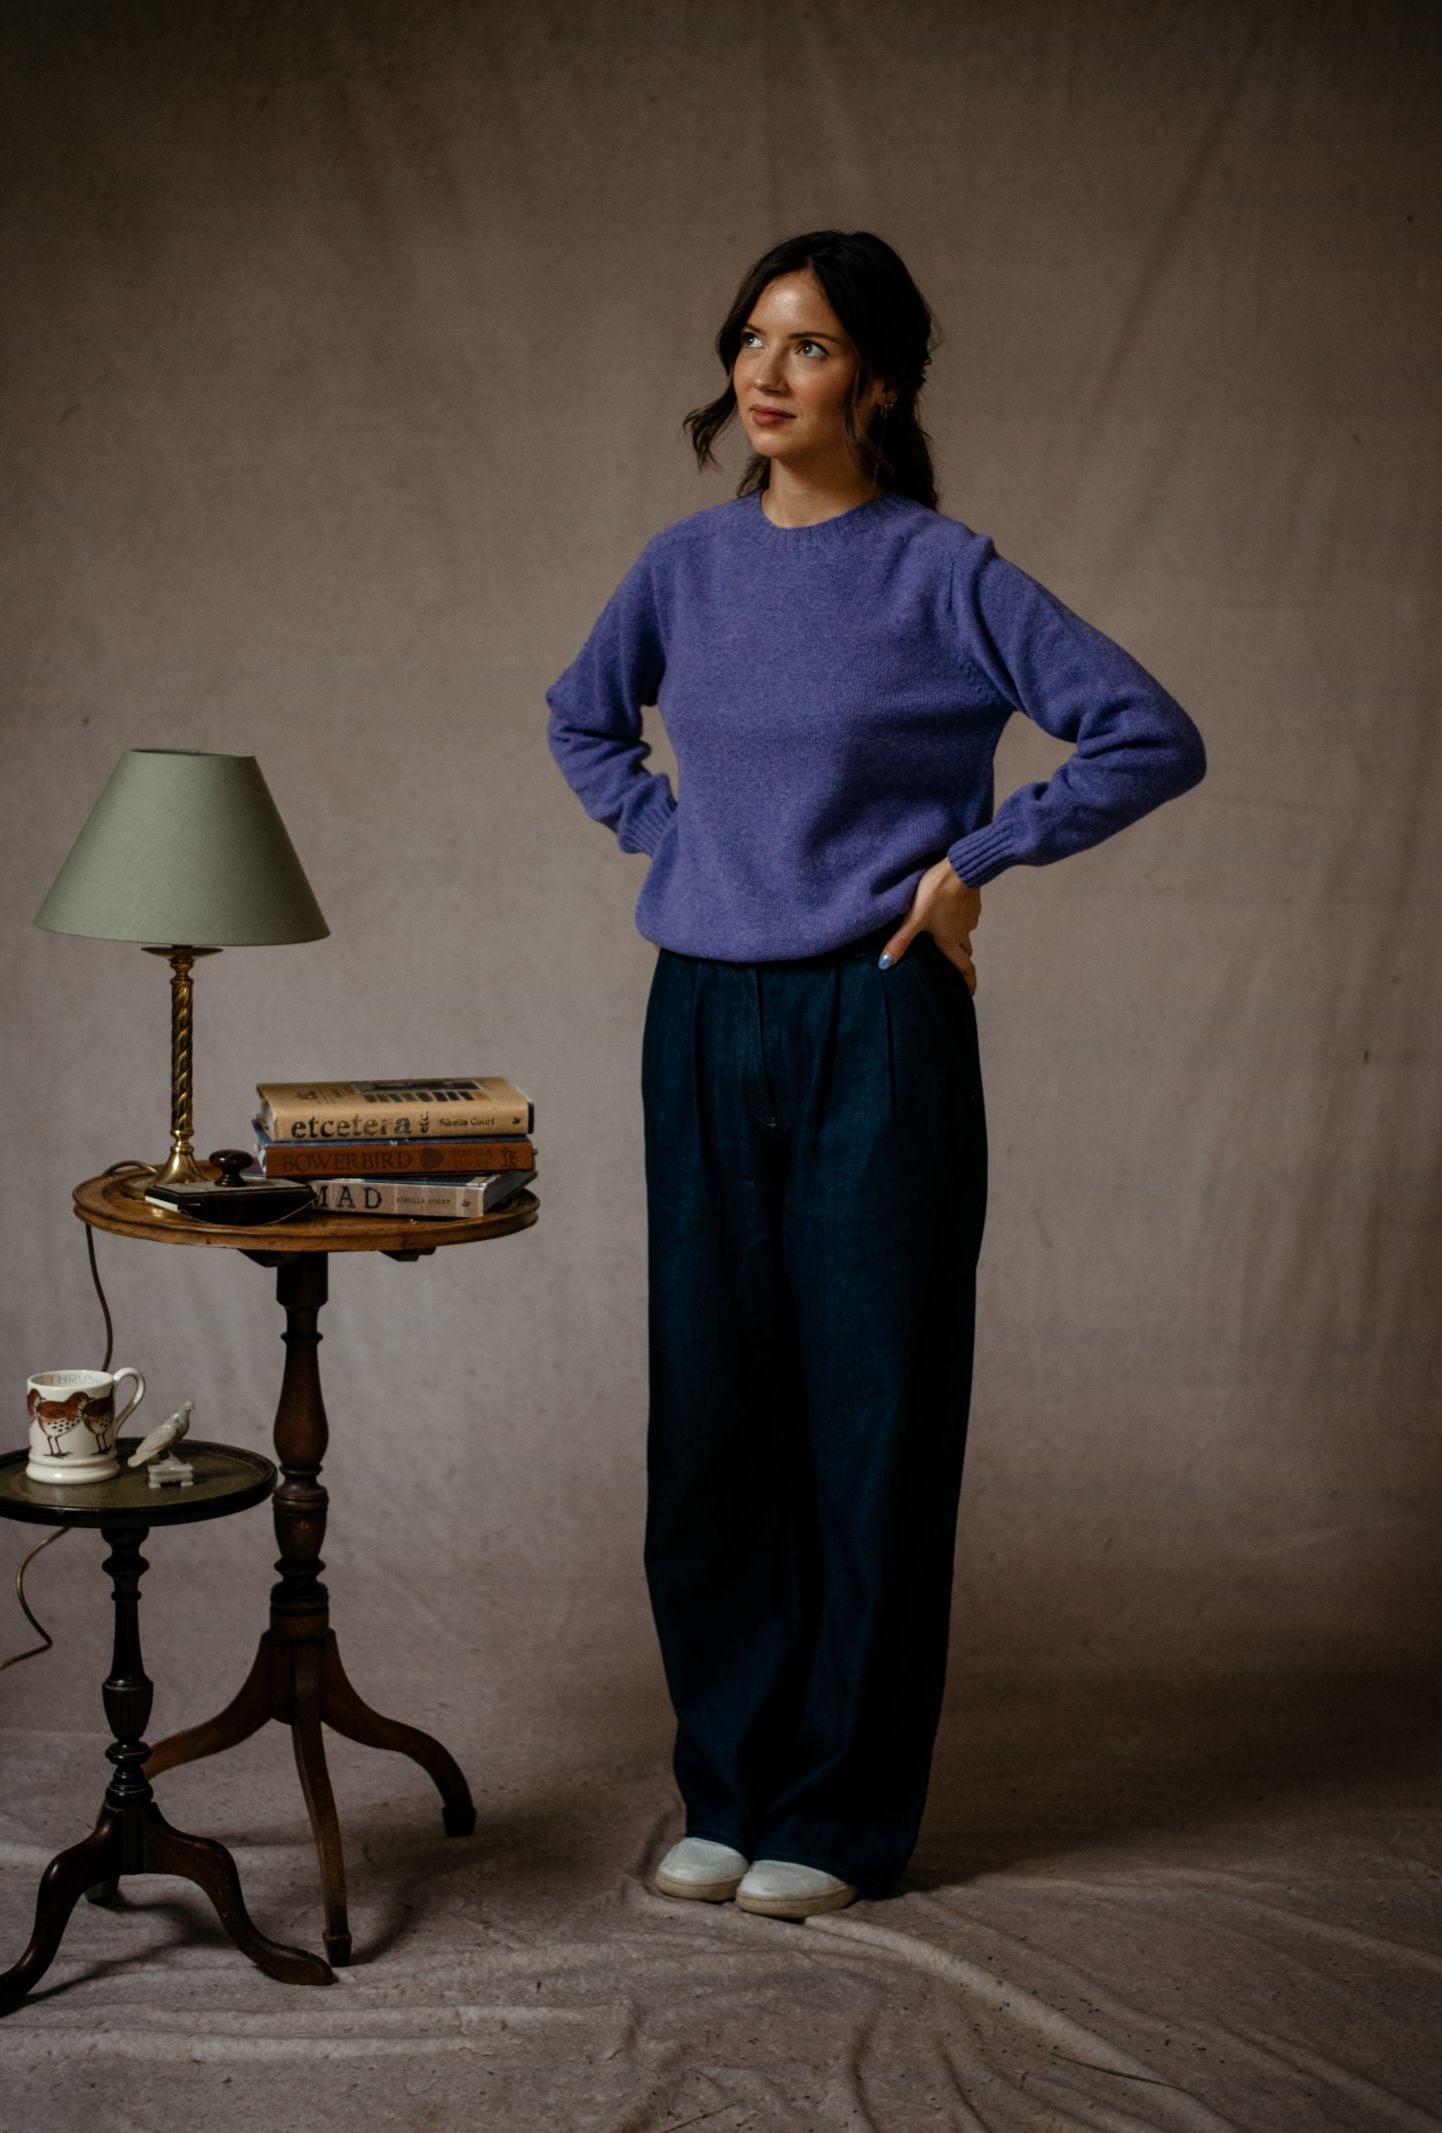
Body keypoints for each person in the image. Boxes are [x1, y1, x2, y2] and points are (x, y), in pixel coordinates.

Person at [544, 229, 1206, 1922]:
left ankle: (836, 1811)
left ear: (884, 382)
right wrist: (672, 844)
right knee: (714, 1416)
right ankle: (730, 1779)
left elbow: (1146, 729)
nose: (768, 374)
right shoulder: (682, 569)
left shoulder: (942, 571)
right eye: (754, 341)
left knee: (873, 1414)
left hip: (880, 1018)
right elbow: (583, 721)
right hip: (702, 1015)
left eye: (812, 347)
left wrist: (983, 855)